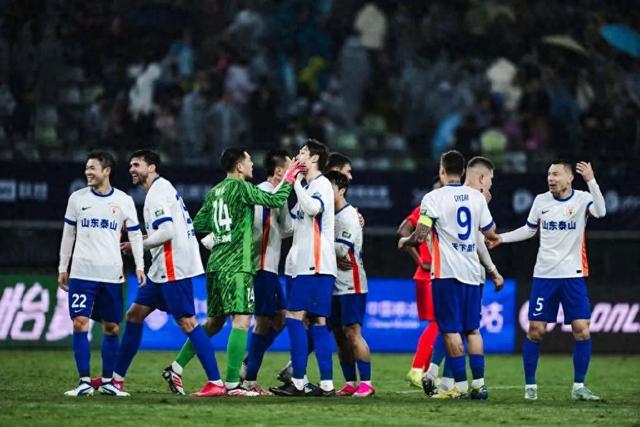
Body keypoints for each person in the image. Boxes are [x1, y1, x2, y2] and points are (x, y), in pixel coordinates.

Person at [163, 148, 303, 396]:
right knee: (242, 321)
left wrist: (219, 236)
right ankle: (232, 384)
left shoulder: (215, 191)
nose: (252, 165)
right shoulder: (241, 187)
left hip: (215, 264)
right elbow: (274, 200)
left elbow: (197, 224)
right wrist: (290, 178)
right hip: (238, 264)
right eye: (248, 161)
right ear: (239, 166)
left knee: (214, 323)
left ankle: (176, 367)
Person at [487, 161, 605, 401]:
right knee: (536, 331)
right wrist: (502, 238)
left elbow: (601, 212)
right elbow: (529, 230)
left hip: (573, 275)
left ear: (570, 178)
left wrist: (591, 180)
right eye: (549, 174)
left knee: (582, 330)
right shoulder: (541, 200)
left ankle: (579, 387)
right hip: (544, 276)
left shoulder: (582, 198)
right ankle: (530, 386)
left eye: (556, 174)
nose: (551, 178)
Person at [113, 149, 225, 397]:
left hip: (173, 266)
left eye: (136, 165)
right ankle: (116, 380)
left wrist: (139, 245)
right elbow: (165, 230)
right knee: (134, 315)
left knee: (188, 322)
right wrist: (139, 239)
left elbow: (167, 232)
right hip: (161, 267)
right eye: (130, 165)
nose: (131, 169)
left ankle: (216, 382)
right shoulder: (162, 188)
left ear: (152, 167)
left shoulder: (156, 194)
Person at [398, 150, 501, 399]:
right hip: (473, 273)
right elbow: (490, 232)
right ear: (463, 171)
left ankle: (460, 386)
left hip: (447, 274)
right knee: (472, 330)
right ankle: (479, 385)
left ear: (442, 170)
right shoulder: (477, 198)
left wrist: (405, 241)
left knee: (450, 331)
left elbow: (420, 235)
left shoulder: (433, 198)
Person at [58, 151, 145, 397]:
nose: (88, 172)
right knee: (80, 323)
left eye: (92, 168)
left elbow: (135, 234)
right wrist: (63, 267)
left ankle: (108, 382)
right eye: (87, 168)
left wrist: (140, 265)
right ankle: (84, 382)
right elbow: (68, 234)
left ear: (106, 171)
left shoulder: (124, 200)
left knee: (112, 327)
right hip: (82, 273)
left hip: (111, 274)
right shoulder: (77, 199)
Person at [271, 139, 337, 397]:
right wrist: (283, 196)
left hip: (314, 263)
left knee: (294, 317)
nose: (298, 156)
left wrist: (296, 182)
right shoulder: (307, 187)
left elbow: (313, 208)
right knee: (317, 321)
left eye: (303, 153)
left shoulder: (321, 184)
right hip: (304, 264)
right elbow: (289, 227)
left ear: (315, 159)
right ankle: (327, 384)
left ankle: (298, 381)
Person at [242, 150, 295, 394]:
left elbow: (286, 228)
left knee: (280, 318)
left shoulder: (278, 194)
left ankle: (249, 361)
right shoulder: (263, 192)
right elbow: (258, 230)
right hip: (261, 267)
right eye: (290, 167)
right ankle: (249, 378)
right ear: (279, 171)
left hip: (270, 268)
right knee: (263, 323)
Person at [326, 171, 374, 397]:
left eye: (330, 188)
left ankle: (366, 383)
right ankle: (349, 382)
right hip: (333, 282)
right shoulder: (328, 215)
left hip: (351, 282)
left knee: (352, 332)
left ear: (342, 190)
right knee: (338, 334)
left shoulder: (349, 215)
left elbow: (342, 250)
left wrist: (319, 242)